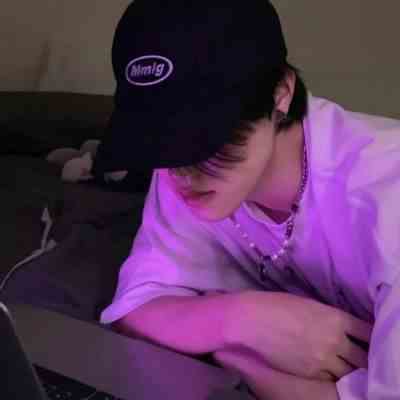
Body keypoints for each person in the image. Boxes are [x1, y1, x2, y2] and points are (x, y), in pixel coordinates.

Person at [93, 1, 400, 399]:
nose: (181, 174)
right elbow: (134, 309)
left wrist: (242, 362)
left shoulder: (385, 192)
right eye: (161, 142)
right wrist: (240, 319)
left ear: (281, 94)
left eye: (206, 143)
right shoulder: (179, 171)